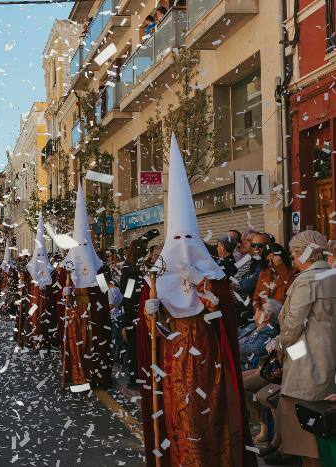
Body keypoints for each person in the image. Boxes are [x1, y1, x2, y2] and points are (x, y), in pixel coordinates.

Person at [138, 135, 255, 466]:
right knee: (180, 416)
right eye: (178, 238)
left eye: (189, 238)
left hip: (208, 358)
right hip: (173, 362)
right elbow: (152, 334)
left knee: (208, 416)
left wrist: (208, 297)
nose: (185, 245)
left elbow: (224, 321)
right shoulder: (156, 279)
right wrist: (151, 313)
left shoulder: (212, 274)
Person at [274, 230, 336, 467]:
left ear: (303, 253)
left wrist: (279, 348)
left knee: (306, 439)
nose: (293, 259)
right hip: (328, 364)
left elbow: (293, 326)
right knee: (321, 434)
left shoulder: (307, 280)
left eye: (293, 254)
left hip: (306, 368)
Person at [60, 181, 111, 391]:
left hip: (94, 318)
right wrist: (66, 291)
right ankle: (78, 375)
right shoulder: (69, 267)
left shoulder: (99, 267)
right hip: (75, 315)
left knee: (94, 346)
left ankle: (95, 376)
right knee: (76, 345)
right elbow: (64, 287)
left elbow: (104, 291)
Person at [119, 239, 146, 387]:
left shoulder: (142, 268)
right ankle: (135, 377)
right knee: (133, 346)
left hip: (139, 311)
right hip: (133, 313)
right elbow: (127, 293)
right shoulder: (129, 269)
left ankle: (138, 376)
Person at [27, 214, 56, 350]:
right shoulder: (30, 270)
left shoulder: (51, 271)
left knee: (46, 321)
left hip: (46, 302)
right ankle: (35, 341)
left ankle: (46, 341)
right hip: (34, 302)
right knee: (35, 320)